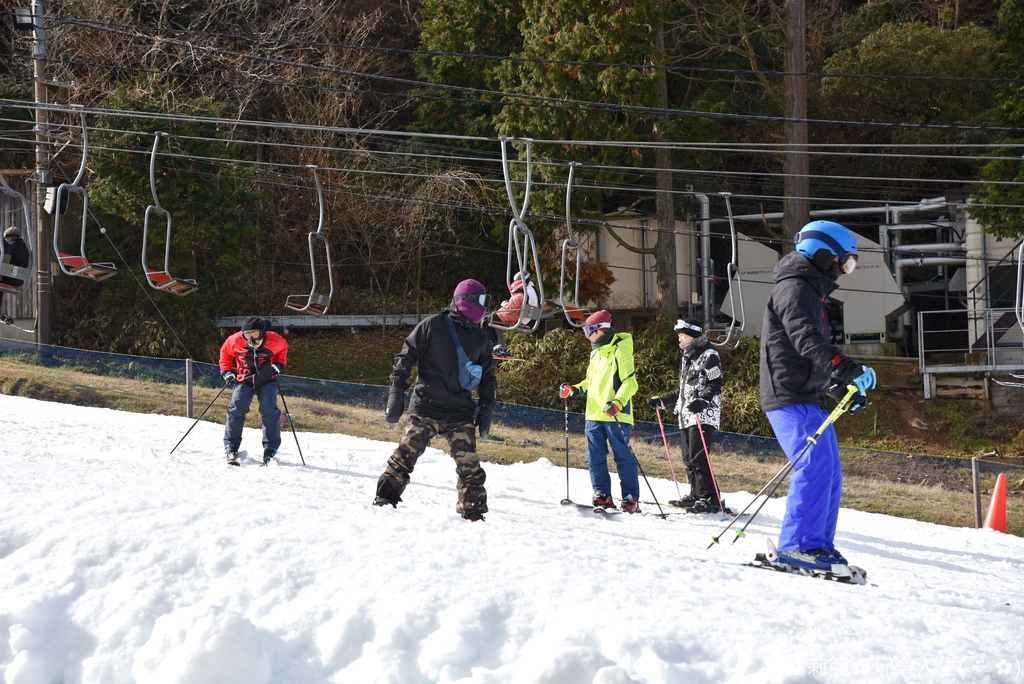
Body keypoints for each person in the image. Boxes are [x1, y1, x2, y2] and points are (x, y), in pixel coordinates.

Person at [760, 220, 877, 571]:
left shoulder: (808, 290)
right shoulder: (794, 288)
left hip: (806, 394)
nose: (845, 270)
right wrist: (846, 367)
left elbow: (807, 355)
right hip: (788, 395)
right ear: (823, 254)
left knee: (828, 471)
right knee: (813, 467)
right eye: (846, 262)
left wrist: (838, 386)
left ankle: (818, 545)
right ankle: (797, 545)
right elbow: (806, 340)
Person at [374, 278, 496, 521]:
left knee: (470, 469)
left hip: (460, 412)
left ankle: (473, 516)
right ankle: (383, 504)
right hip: (425, 406)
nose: (484, 308)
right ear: (467, 301)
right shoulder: (432, 325)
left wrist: (486, 407)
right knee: (404, 457)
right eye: (482, 301)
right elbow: (405, 358)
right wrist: (397, 393)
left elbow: (489, 378)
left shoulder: (481, 338)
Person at [558, 309, 641, 512]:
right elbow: (590, 381)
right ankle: (602, 494)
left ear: (601, 330)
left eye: (588, 330)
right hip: (594, 414)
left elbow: (631, 383)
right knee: (594, 457)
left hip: (616, 414)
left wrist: (617, 403)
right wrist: (575, 389)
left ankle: (630, 497)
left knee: (622, 456)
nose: (586, 335)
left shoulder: (620, 349)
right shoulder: (595, 352)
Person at [648, 318, 724, 513]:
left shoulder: (709, 355)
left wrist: (703, 400)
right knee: (689, 457)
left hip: (703, 414)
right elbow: (684, 389)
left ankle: (709, 498)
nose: (680, 338)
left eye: (682, 334)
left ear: (693, 335)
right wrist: (664, 401)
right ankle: (696, 494)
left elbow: (715, 383)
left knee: (699, 457)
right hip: (686, 414)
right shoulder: (688, 356)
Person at [219, 316, 289, 466]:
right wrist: (226, 371)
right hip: (243, 379)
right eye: (247, 336)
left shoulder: (275, 340)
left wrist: (278, 364)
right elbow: (225, 352)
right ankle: (231, 446)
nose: (251, 341)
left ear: (263, 333)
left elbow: (283, 349)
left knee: (269, 408)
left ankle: (271, 447)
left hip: (266, 380)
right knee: (237, 408)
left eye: (256, 335)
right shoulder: (235, 340)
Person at [487, 270, 540, 357]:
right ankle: (499, 346)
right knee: (491, 320)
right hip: (523, 316)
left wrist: (504, 304)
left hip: (518, 317)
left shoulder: (524, 294)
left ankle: (492, 345)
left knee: (486, 320)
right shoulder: (531, 290)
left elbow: (512, 308)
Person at [0, 226, 30, 324]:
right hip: (18, 281)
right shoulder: (25, 250)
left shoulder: (8, 248)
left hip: (6, 278)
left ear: (9, 237)